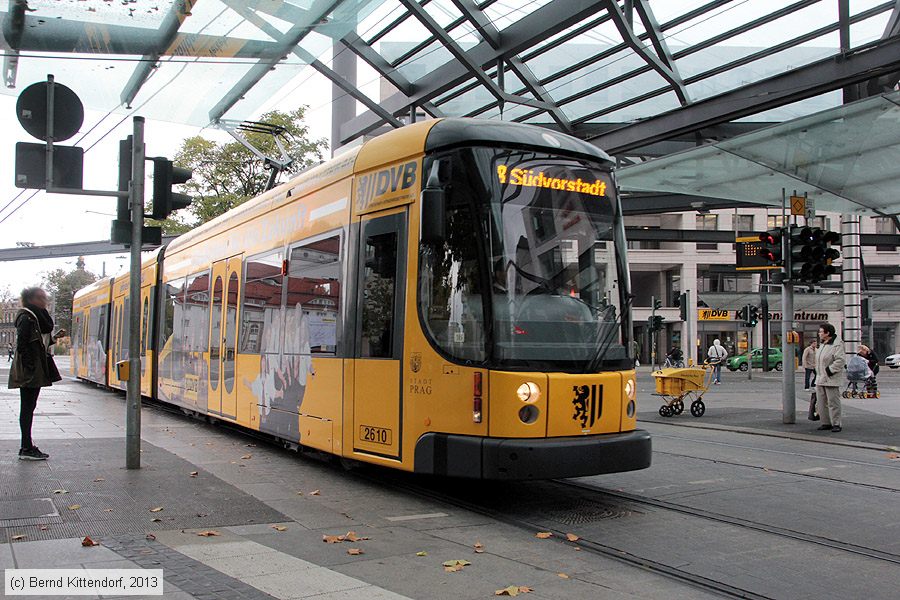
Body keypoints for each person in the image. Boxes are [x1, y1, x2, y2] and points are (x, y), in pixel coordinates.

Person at [7, 287, 65, 460]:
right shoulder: (27, 317)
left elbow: (39, 342)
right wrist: (30, 367)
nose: (44, 299)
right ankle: (26, 447)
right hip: (30, 369)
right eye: (41, 297)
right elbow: (23, 345)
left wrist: (54, 339)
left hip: (36, 367)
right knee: (27, 407)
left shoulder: (38, 317)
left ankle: (27, 446)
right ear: (31, 299)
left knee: (29, 407)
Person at [814, 322, 846, 433]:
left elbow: (840, 360)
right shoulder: (822, 344)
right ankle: (825, 422)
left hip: (831, 378)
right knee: (821, 402)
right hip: (820, 377)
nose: (819, 334)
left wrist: (829, 370)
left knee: (833, 402)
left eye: (821, 332)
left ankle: (836, 423)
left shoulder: (837, 344)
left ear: (827, 333)